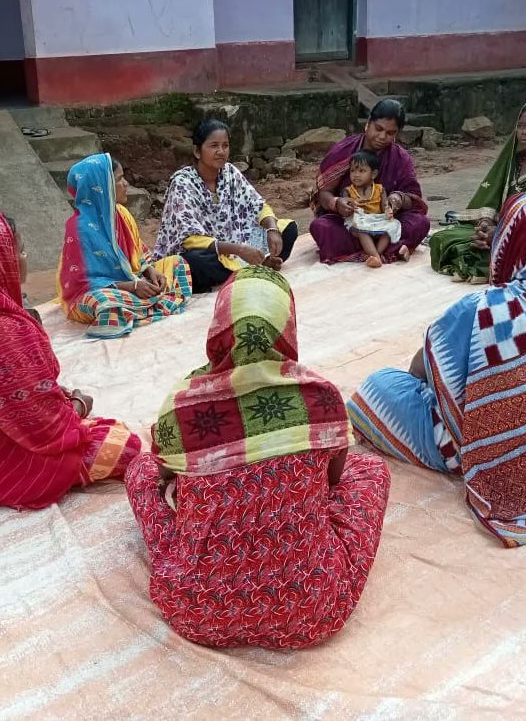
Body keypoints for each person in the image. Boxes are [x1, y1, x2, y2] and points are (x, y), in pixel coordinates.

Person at [126, 266, 390, 648]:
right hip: (311, 607)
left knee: (140, 471)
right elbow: (332, 484)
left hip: (200, 609)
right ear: (287, 326)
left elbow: (166, 477)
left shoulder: (179, 406)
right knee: (370, 470)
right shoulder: (321, 396)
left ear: (219, 328)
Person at [347, 191, 526, 548]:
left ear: (513, 239)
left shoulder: (485, 309)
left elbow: (419, 369)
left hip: (481, 451)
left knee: (376, 389)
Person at [0, 210, 141, 510]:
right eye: (17, 251)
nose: (23, 258)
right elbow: (48, 430)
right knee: (124, 445)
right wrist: (78, 407)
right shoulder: (8, 332)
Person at [429, 98, 526, 283]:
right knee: (443, 238)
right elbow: (492, 196)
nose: (525, 132)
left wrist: (502, 235)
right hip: (502, 229)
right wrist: (485, 227)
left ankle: (488, 265)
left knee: (522, 258)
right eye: (520, 126)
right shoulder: (513, 159)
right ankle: (486, 260)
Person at [154, 119, 298, 293]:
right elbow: (190, 239)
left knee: (288, 230)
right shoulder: (182, 182)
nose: (221, 152)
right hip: (208, 251)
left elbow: (258, 205)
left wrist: (272, 230)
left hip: (238, 242)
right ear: (197, 152)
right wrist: (239, 249)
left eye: (225, 146)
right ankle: (251, 267)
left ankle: (251, 265)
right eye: (214, 146)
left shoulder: (230, 172)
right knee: (194, 263)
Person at [58, 153, 192, 338]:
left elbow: (139, 252)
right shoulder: (78, 228)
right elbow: (81, 282)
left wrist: (150, 272)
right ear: (101, 186)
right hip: (104, 292)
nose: (126, 184)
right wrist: (132, 287)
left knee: (178, 264)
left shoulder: (121, 213)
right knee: (103, 302)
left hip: (132, 282)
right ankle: (147, 307)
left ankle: (134, 311)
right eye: (119, 179)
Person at [310, 98, 430, 264]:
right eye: (378, 129)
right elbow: (323, 193)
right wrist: (337, 203)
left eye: (390, 133)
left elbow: (414, 199)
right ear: (368, 124)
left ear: (397, 134)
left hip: (385, 223)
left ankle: (376, 253)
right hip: (351, 224)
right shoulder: (344, 151)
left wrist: (398, 199)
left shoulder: (401, 158)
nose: (382, 137)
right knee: (321, 227)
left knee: (420, 223)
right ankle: (393, 251)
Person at [342, 150, 400, 268]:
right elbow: (346, 205)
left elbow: (385, 205)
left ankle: (377, 254)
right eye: (352, 170)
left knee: (392, 227)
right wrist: (351, 204)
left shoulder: (380, 189)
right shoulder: (348, 190)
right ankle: (376, 257)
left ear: (373, 174)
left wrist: (388, 211)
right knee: (362, 231)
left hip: (376, 219)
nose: (356, 174)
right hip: (359, 221)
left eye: (361, 170)